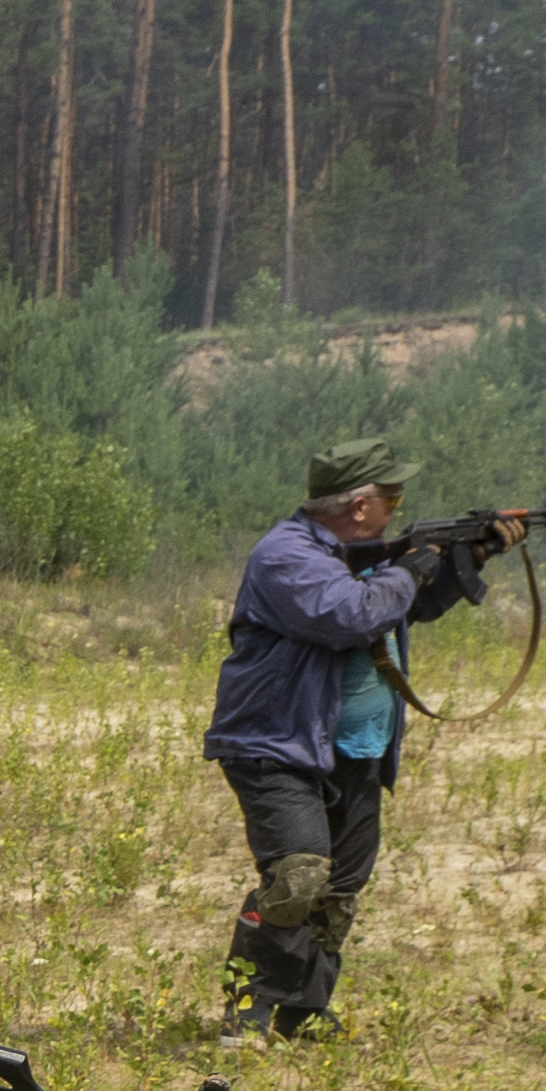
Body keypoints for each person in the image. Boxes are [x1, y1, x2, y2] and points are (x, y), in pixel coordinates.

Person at [202, 438, 459, 1040]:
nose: (397, 507)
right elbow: (352, 615)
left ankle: (303, 1010)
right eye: (392, 497)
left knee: (338, 890)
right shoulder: (286, 555)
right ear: (360, 506)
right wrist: (408, 568)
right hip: (278, 742)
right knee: (298, 875)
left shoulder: (356, 555)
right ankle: (247, 1008)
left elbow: (409, 607)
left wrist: (468, 559)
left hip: (356, 745)